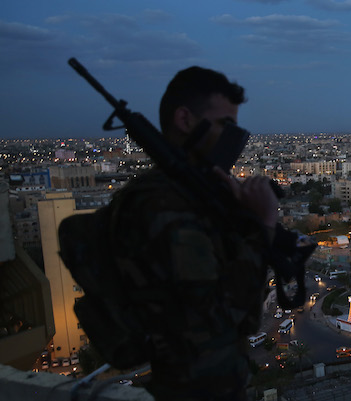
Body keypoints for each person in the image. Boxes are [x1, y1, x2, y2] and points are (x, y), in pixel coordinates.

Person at [109, 66, 278, 400]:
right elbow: (228, 317)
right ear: (185, 119)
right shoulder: (163, 205)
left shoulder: (185, 196)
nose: (233, 137)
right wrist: (264, 225)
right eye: (224, 125)